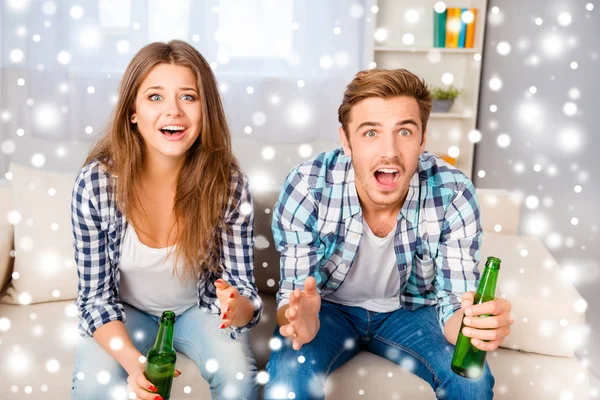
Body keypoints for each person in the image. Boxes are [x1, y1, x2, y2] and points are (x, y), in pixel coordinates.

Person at [265, 68, 514, 399]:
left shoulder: (453, 192)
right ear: (346, 140)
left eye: (405, 132)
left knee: (472, 380)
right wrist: (301, 318)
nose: (390, 152)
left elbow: (455, 300)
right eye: (370, 133)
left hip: (412, 312)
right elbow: (291, 295)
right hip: (329, 309)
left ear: (423, 139)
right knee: (287, 376)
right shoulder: (308, 186)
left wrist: (473, 327)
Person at [70, 40, 261, 400]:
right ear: (133, 112)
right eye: (155, 97)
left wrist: (237, 309)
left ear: (206, 111)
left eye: (188, 97)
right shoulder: (96, 184)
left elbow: (245, 292)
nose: (173, 111)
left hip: (196, 309)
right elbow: (94, 300)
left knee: (238, 375)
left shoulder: (228, 183)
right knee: (92, 386)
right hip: (125, 311)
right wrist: (133, 363)